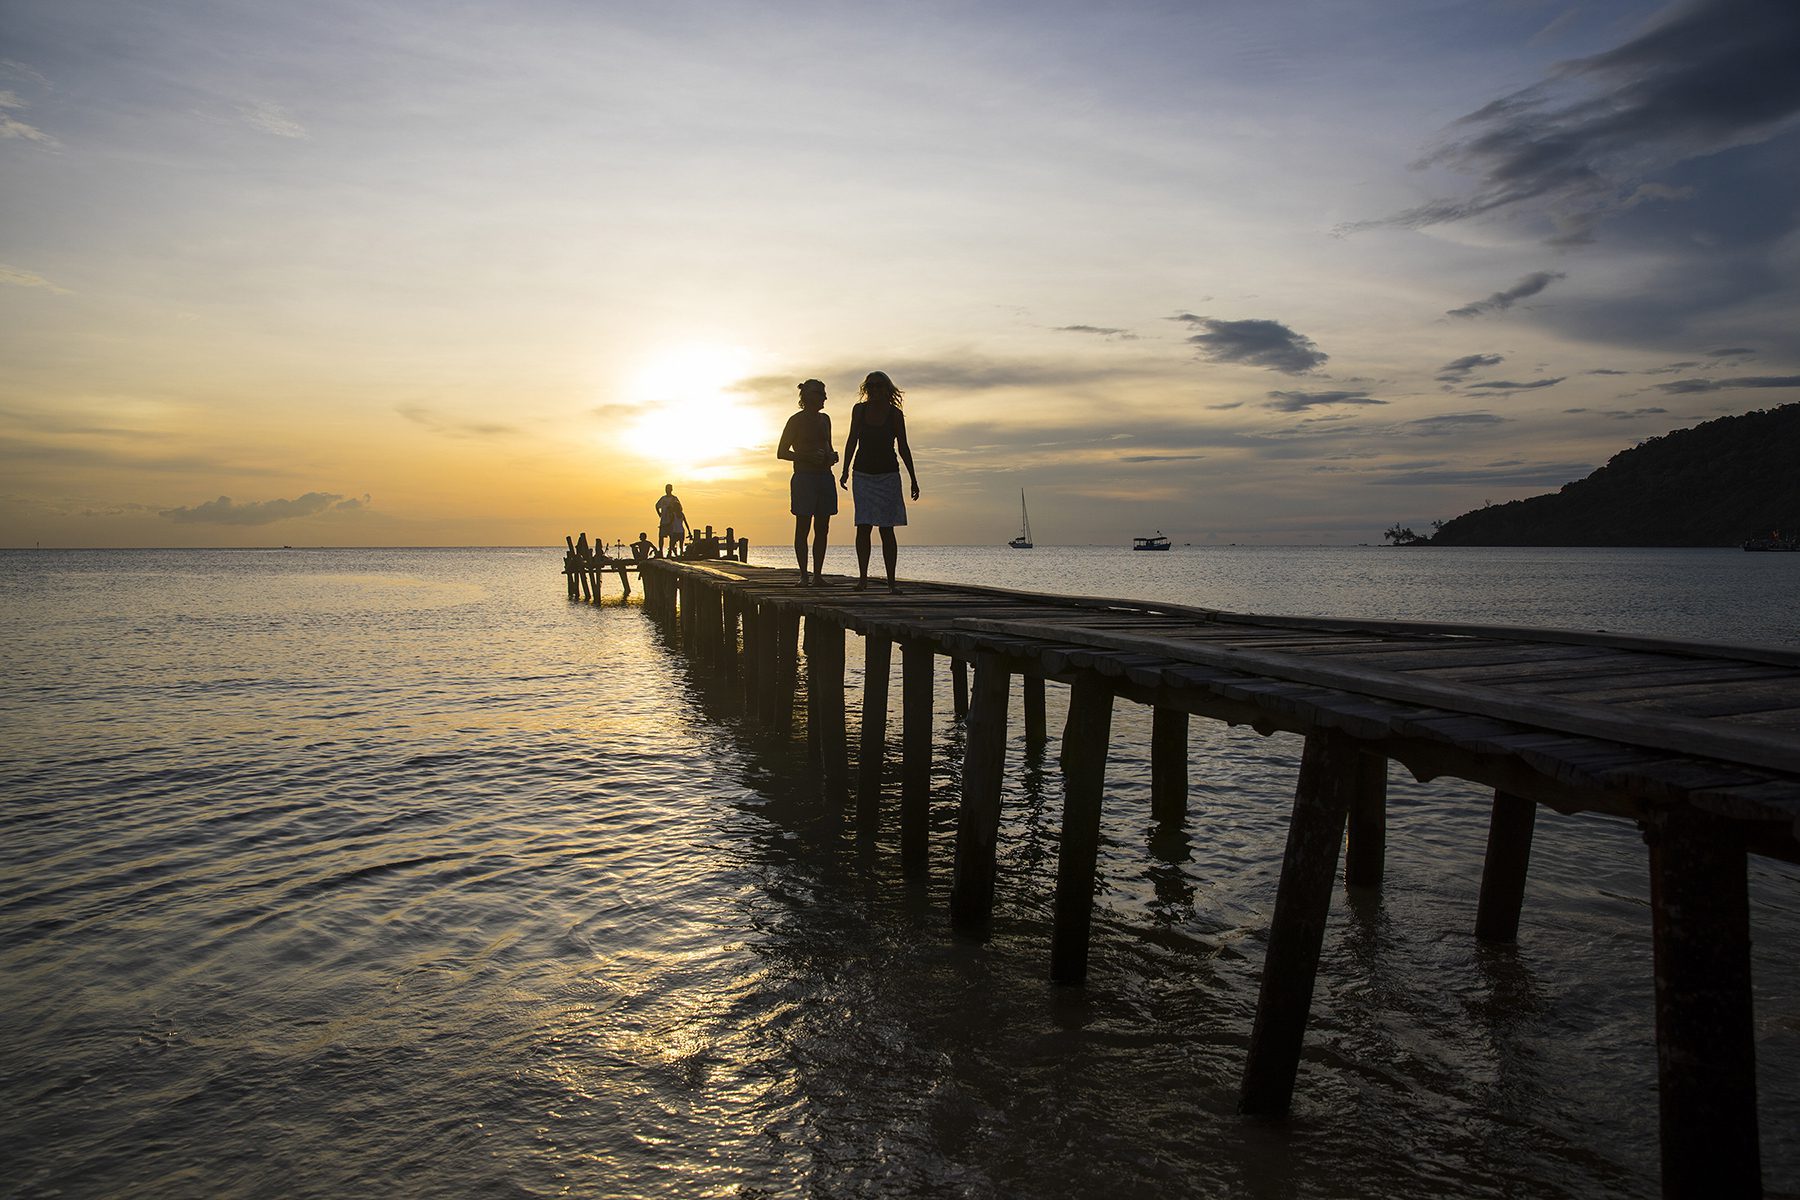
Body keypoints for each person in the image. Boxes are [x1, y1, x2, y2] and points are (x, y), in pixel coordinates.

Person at [838, 370, 919, 593]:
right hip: (863, 474)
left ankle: (891, 583)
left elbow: (903, 446)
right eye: (871, 386)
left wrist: (913, 478)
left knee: (887, 528)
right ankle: (862, 579)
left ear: (886, 389)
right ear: (866, 389)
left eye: (879, 386)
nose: (874, 390)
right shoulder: (859, 410)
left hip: (888, 475)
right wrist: (844, 469)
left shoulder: (894, 414)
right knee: (863, 526)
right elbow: (852, 439)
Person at [778, 378, 839, 585]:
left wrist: (832, 456)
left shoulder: (826, 419)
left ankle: (818, 575)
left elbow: (828, 445)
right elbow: (781, 452)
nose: (825, 398)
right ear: (808, 396)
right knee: (803, 526)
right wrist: (806, 456)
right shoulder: (795, 421)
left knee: (823, 527)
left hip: (825, 477)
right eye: (821, 393)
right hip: (804, 477)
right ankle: (804, 575)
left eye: (825, 393)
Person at [655, 484, 687, 556]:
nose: (667, 490)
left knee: (672, 537)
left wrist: (673, 511)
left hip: (672, 521)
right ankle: (661, 552)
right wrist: (659, 514)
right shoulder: (663, 498)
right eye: (666, 489)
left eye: (669, 489)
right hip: (663, 520)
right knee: (661, 537)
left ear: (671, 489)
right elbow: (656, 506)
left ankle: (670, 552)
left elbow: (680, 508)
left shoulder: (674, 499)